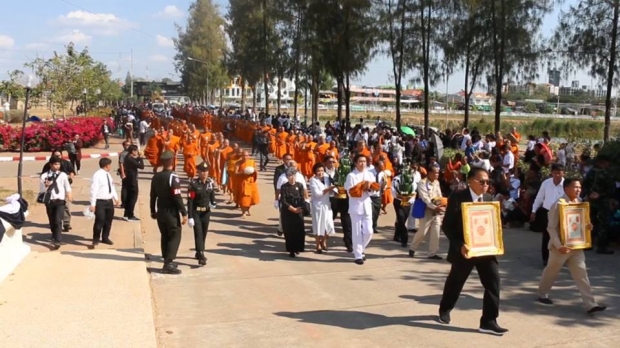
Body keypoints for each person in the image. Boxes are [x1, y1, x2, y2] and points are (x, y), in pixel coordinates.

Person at [438, 167, 508, 336]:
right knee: (455, 282)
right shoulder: (457, 197)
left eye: (487, 181)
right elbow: (447, 226)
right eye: (482, 181)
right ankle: (445, 309)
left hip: (485, 250)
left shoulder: (490, 198)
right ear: (470, 181)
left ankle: (489, 321)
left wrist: (495, 241)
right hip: (465, 250)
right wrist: (460, 244)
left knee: (493, 282)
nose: (486, 185)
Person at [537, 178, 607, 314]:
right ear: (566, 188)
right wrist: (558, 245)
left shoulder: (580, 203)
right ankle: (542, 293)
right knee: (551, 271)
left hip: (576, 246)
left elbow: (581, 223)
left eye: (579, 187)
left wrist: (588, 226)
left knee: (582, 274)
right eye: (575, 187)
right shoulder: (558, 204)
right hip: (560, 248)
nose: (578, 189)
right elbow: (551, 227)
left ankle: (590, 304)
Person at [150, 150, 188, 275]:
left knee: (165, 235)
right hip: (171, 211)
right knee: (175, 235)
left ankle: (166, 259)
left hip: (160, 210)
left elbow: (152, 196)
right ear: (172, 161)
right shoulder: (173, 177)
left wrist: (152, 211)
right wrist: (184, 212)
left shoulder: (156, 176)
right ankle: (168, 263)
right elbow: (177, 196)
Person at [344, 154, 379, 265]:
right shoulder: (351, 176)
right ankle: (358, 255)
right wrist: (362, 186)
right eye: (360, 161)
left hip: (367, 205)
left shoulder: (369, 174)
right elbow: (351, 192)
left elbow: (374, 191)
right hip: (356, 206)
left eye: (364, 161)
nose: (363, 163)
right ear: (355, 163)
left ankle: (359, 248)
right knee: (357, 232)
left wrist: (369, 188)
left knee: (369, 231)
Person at [531, 164, 565, 266]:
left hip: (561, 212)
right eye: (555, 172)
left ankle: (561, 257)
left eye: (559, 173)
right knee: (546, 235)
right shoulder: (546, 183)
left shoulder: (566, 184)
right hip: (547, 212)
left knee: (561, 236)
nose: (557, 175)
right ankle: (545, 258)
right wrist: (534, 210)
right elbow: (539, 197)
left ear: (563, 173)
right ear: (552, 173)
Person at [409, 166, 445, 259]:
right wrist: (433, 207)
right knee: (422, 231)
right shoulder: (422, 183)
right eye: (435, 173)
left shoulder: (436, 182)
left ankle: (432, 253)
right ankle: (413, 248)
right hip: (426, 210)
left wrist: (440, 205)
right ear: (429, 173)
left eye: (438, 173)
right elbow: (425, 197)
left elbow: (439, 195)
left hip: (436, 210)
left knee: (436, 232)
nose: (437, 174)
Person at [39, 156, 73, 250]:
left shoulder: (62, 175)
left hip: (60, 201)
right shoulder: (44, 176)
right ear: (50, 164)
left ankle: (57, 240)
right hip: (49, 201)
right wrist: (46, 185)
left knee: (58, 220)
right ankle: (54, 234)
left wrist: (69, 194)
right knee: (52, 220)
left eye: (58, 164)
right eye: (55, 164)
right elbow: (41, 190)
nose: (57, 166)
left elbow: (67, 186)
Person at [187, 162, 217, 266]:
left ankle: (198, 251)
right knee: (198, 233)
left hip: (206, 212)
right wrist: (190, 216)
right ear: (198, 172)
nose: (205, 173)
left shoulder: (210, 183)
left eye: (206, 171)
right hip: (196, 212)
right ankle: (201, 254)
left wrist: (213, 202)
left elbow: (212, 195)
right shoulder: (193, 184)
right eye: (202, 171)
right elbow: (190, 201)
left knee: (203, 233)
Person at [41, 149, 75, 233]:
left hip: (63, 189)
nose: (57, 157)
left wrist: (70, 177)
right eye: (55, 155)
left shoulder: (66, 163)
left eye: (59, 155)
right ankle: (55, 224)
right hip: (51, 191)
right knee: (52, 211)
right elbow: (43, 177)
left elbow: (72, 172)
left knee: (66, 206)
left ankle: (66, 223)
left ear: (62, 155)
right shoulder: (48, 165)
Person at [89, 158, 119, 246]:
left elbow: (111, 186)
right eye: (110, 165)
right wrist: (93, 204)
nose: (110, 166)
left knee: (108, 221)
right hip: (100, 201)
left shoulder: (108, 175)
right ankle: (96, 239)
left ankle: (105, 237)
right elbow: (93, 190)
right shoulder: (97, 175)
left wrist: (115, 198)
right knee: (100, 220)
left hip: (109, 201)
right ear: (107, 165)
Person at [279, 167, 307, 257]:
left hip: (298, 210)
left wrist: (300, 208)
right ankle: (291, 250)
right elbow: (283, 200)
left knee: (299, 231)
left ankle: (298, 248)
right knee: (289, 231)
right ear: (287, 177)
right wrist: (292, 209)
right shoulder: (284, 187)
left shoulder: (299, 185)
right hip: (288, 212)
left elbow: (302, 198)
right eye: (290, 176)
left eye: (294, 175)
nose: (292, 177)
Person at [309, 162, 336, 253]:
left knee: (329, 225)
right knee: (318, 225)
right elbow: (317, 194)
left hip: (327, 204)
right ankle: (317, 245)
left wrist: (334, 191)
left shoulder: (327, 178)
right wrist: (329, 189)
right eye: (318, 171)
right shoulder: (313, 180)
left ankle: (324, 241)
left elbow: (331, 192)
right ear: (315, 172)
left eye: (321, 170)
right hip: (318, 206)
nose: (320, 172)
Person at [122, 145, 144, 221]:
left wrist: (138, 158)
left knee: (129, 197)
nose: (137, 152)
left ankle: (126, 213)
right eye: (136, 151)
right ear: (133, 151)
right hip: (132, 180)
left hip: (129, 179)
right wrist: (141, 158)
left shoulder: (128, 157)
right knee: (133, 198)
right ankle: (130, 215)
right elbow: (141, 166)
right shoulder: (129, 159)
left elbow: (135, 161)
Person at [273, 153, 293, 236]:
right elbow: (276, 183)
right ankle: (281, 228)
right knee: (283, 213)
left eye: (290, 159)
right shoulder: (279, 169)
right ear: (283, 160)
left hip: (293, 195)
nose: (288, 161)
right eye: (286, 159)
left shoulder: (294, 169)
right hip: (283, 195)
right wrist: (277, 197)